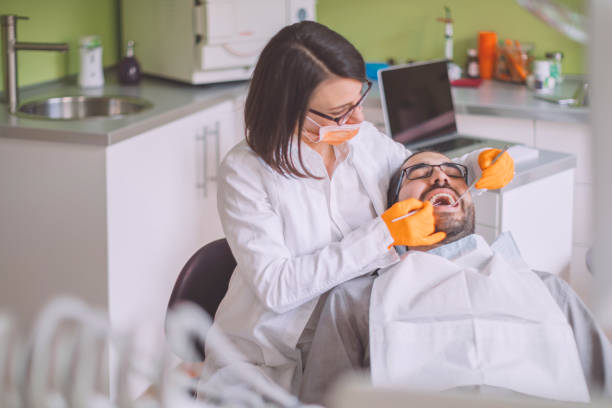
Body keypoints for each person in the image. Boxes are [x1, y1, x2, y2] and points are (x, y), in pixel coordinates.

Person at [198, 21, 514, 394]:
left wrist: (479, 165)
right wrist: (383, 235)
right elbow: (277, 288)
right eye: (340, 112)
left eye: (358, 101)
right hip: (267, 364)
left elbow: (417, 172)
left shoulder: (361, 140)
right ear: (289, 110)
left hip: (361, 340)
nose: (359, 120)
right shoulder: (246, 172)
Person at [299, 151, 612, 404]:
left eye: (454, 173)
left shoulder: (550, 292)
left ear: (471, 199)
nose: (439, 176)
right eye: (419, 174)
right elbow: (323, 399)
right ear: (396, 209)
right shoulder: (354, 301)